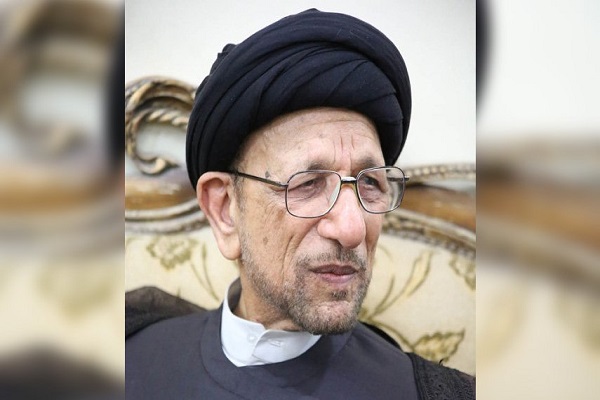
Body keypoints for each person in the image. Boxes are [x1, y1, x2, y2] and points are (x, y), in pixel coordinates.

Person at [126, 9, 474, 399]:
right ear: (225, 210)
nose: (353, 229)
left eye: (370, 183)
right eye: (308, 184)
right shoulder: (129, 354)